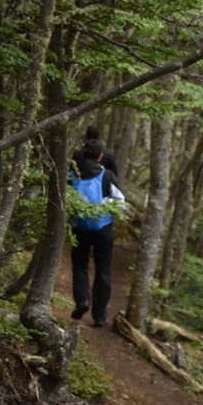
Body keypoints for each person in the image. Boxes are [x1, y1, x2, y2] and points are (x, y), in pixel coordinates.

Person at [69, 139, 125, 327]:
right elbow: (120, 202)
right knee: (103, 270)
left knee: (80, 266)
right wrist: (107, 213)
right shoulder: (107, 175)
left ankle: (82, 300)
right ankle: (100, 316)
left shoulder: (73, 174)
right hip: (103, 228)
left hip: (79, 227)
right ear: (101, 156)